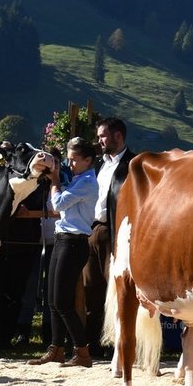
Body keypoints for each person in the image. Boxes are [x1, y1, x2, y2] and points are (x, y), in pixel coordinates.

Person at [33, 138, 99, 368]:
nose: (70, 164)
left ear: (88, 160)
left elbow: (57, 205)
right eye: (69, 159)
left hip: (74, 243)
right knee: (53, 299)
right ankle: (57, 348)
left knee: (63, 302)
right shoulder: (78, 179)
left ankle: (82, 351)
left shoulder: (87, 182)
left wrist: (54, 181)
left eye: (74, 160)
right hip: (63, 240)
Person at [82, 116, 133, 359]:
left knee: (116, 290)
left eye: (103, 136)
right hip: (92, 230)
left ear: (118, 136)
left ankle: (117, 344)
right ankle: (92, 343)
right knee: (91, 288)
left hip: (116, 232)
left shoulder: (133, 164)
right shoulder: (98, 165)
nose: (99, 140)